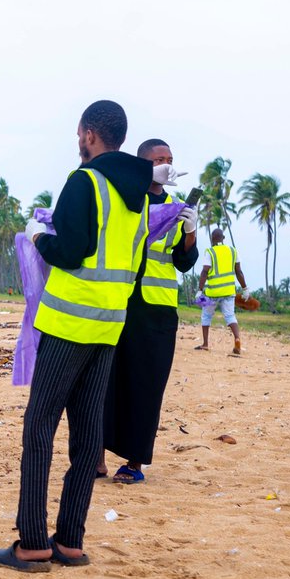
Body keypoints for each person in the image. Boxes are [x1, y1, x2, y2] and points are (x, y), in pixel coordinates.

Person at [0, 100, 152, 573]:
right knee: (87, 435)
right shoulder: (138, 194)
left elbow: (72, 249)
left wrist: (39, 239)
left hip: (67, 323)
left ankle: (34, 543)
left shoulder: (85, 181)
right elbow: (135, 263)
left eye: (79, 134)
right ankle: (71, 541)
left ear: (88, 134)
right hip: (109, 325)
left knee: (39, 426)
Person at [97, 139, 200, 484]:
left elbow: (184, 263)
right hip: (118, 301)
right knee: (104, 380)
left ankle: (134, 462)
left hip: (156, 312)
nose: (167, 165)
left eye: (171, 159)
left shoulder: (177, 206)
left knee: (146, 385)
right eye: (159, 159)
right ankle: (95, 456)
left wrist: (190, 230)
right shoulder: (128, 199)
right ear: (142, 164)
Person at [196, 231, 248, 354]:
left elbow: (205, 271)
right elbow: (239, 271)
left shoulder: (210, 252)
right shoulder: (233, 250)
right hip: (229, 291)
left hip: (212, 292)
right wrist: (245, 288)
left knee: (206, 316)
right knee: (230, 316)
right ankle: (237, 339)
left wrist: (199, 290)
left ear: (212, 239)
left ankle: (205, 344)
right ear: (223, 238)